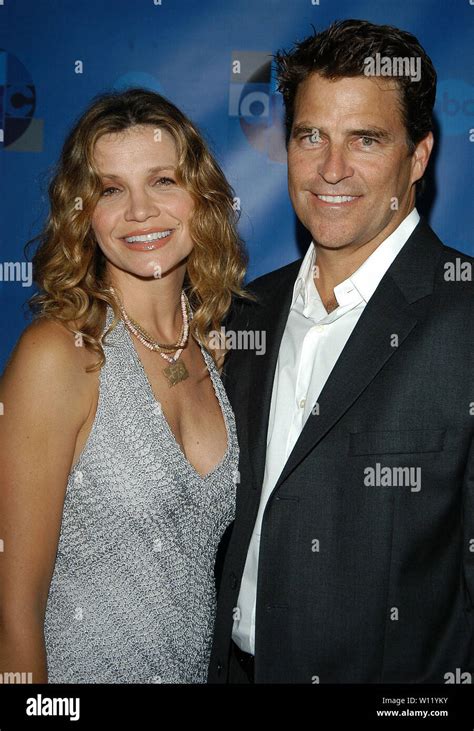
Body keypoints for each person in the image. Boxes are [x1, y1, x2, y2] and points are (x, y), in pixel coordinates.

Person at [208, 19, 474, 683]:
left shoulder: (465, 314)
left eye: (365, 139)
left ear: (418, 157)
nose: (331, 169)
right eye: (310, 136)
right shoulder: (243, 313)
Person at [0, 88, 249, 683]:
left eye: (163, 181)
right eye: (112, 189)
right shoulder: (60, 355)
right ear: (84, 213)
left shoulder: (217, 351)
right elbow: (13, 612)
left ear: (202, 198)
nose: (139, 211)